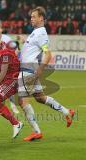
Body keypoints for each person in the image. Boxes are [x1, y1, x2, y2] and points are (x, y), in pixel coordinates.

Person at [18, 7, 75, 141]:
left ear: (41, 18)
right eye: (31, 17)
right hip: (30, 68)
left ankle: (36, 131)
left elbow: (48, 53)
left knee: (22, 100)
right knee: (39, 97)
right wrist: (24, 40)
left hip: (28, 69)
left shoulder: (41, 33)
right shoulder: (35, 32)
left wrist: (41, 68)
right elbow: (33, 47)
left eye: (34, 17)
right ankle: (67, 112)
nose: (31, 19)